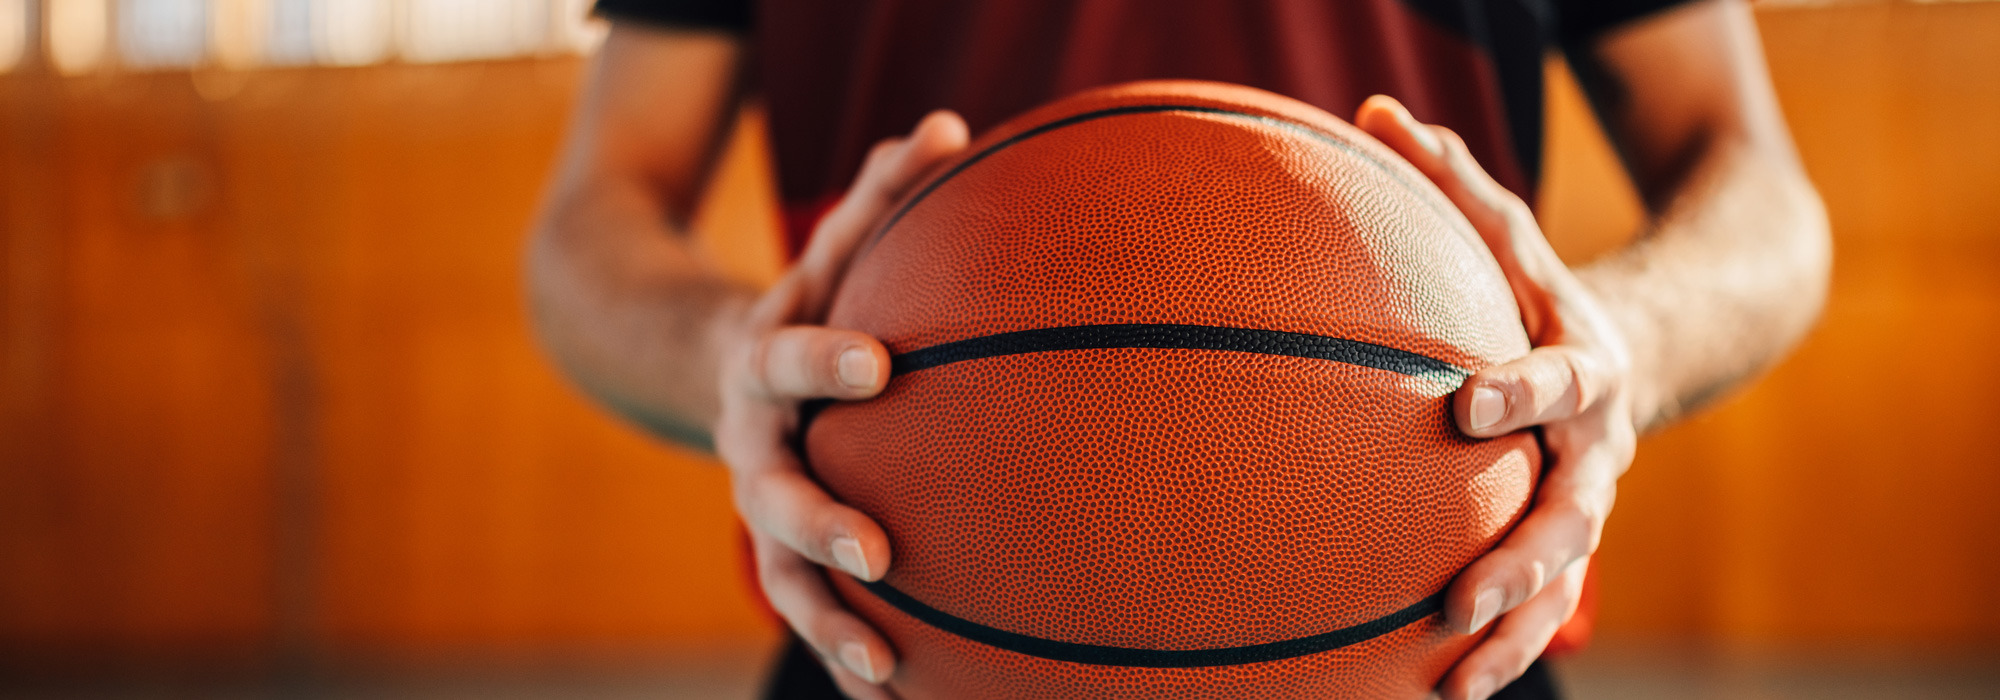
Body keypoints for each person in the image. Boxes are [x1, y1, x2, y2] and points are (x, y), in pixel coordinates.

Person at [526, 1, 1830, 698]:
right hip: (907, 637)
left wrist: (1623, 345)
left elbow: (1760, 187)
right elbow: (591, 224)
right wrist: (726, 357)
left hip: (1435, 641)